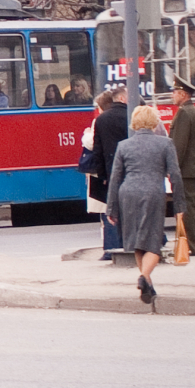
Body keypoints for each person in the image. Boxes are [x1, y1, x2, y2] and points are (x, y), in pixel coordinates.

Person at [107, 104, 188, 306]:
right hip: (152, 193)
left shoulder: (123, 146)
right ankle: (144, 276)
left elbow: (115, 178)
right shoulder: (165, 144)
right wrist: (179, 204)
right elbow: (175, 175)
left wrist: (111, 208)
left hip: (128, 194)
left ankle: (148, 283)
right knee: (153, 241)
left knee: (137, 239)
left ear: (134, 122)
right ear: (154, 122)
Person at [87, 86, 129, 261]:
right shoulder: (131, 116)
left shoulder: (101, 120)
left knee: (112, 209)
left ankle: (115, 246)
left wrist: (103, 175)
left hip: (112, 171)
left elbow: (98, 151)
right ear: (122, 98)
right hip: (132, 169)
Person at [166, 79, 195, 257]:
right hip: (192, 167)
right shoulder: (193, 111)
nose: (172, 95)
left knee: (187, 207)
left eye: (174, 92)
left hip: (185, 169)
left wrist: (172, 168)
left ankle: (190, 245)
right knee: (194, 204)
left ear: (183, 94)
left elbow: (179, 146)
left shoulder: (183, 113)